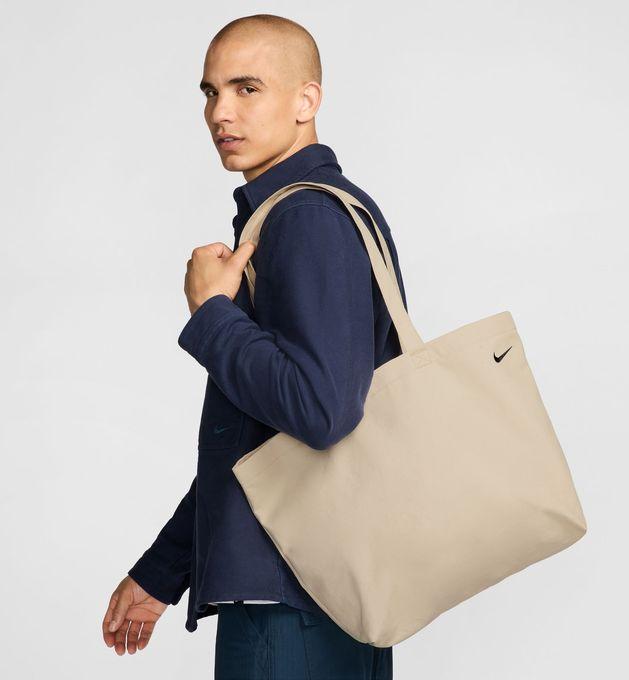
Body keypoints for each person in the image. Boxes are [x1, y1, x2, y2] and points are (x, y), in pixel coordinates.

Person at [102, 13, 408, 680]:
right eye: (210, 92)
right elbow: (261, 445)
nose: (220, 113)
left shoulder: (307, 216)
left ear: (306, 100)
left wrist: (212, 315)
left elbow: (321, 413)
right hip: (322, 585)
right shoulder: (301, 215)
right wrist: (163, 572)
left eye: (247, 89)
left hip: (291, 602)